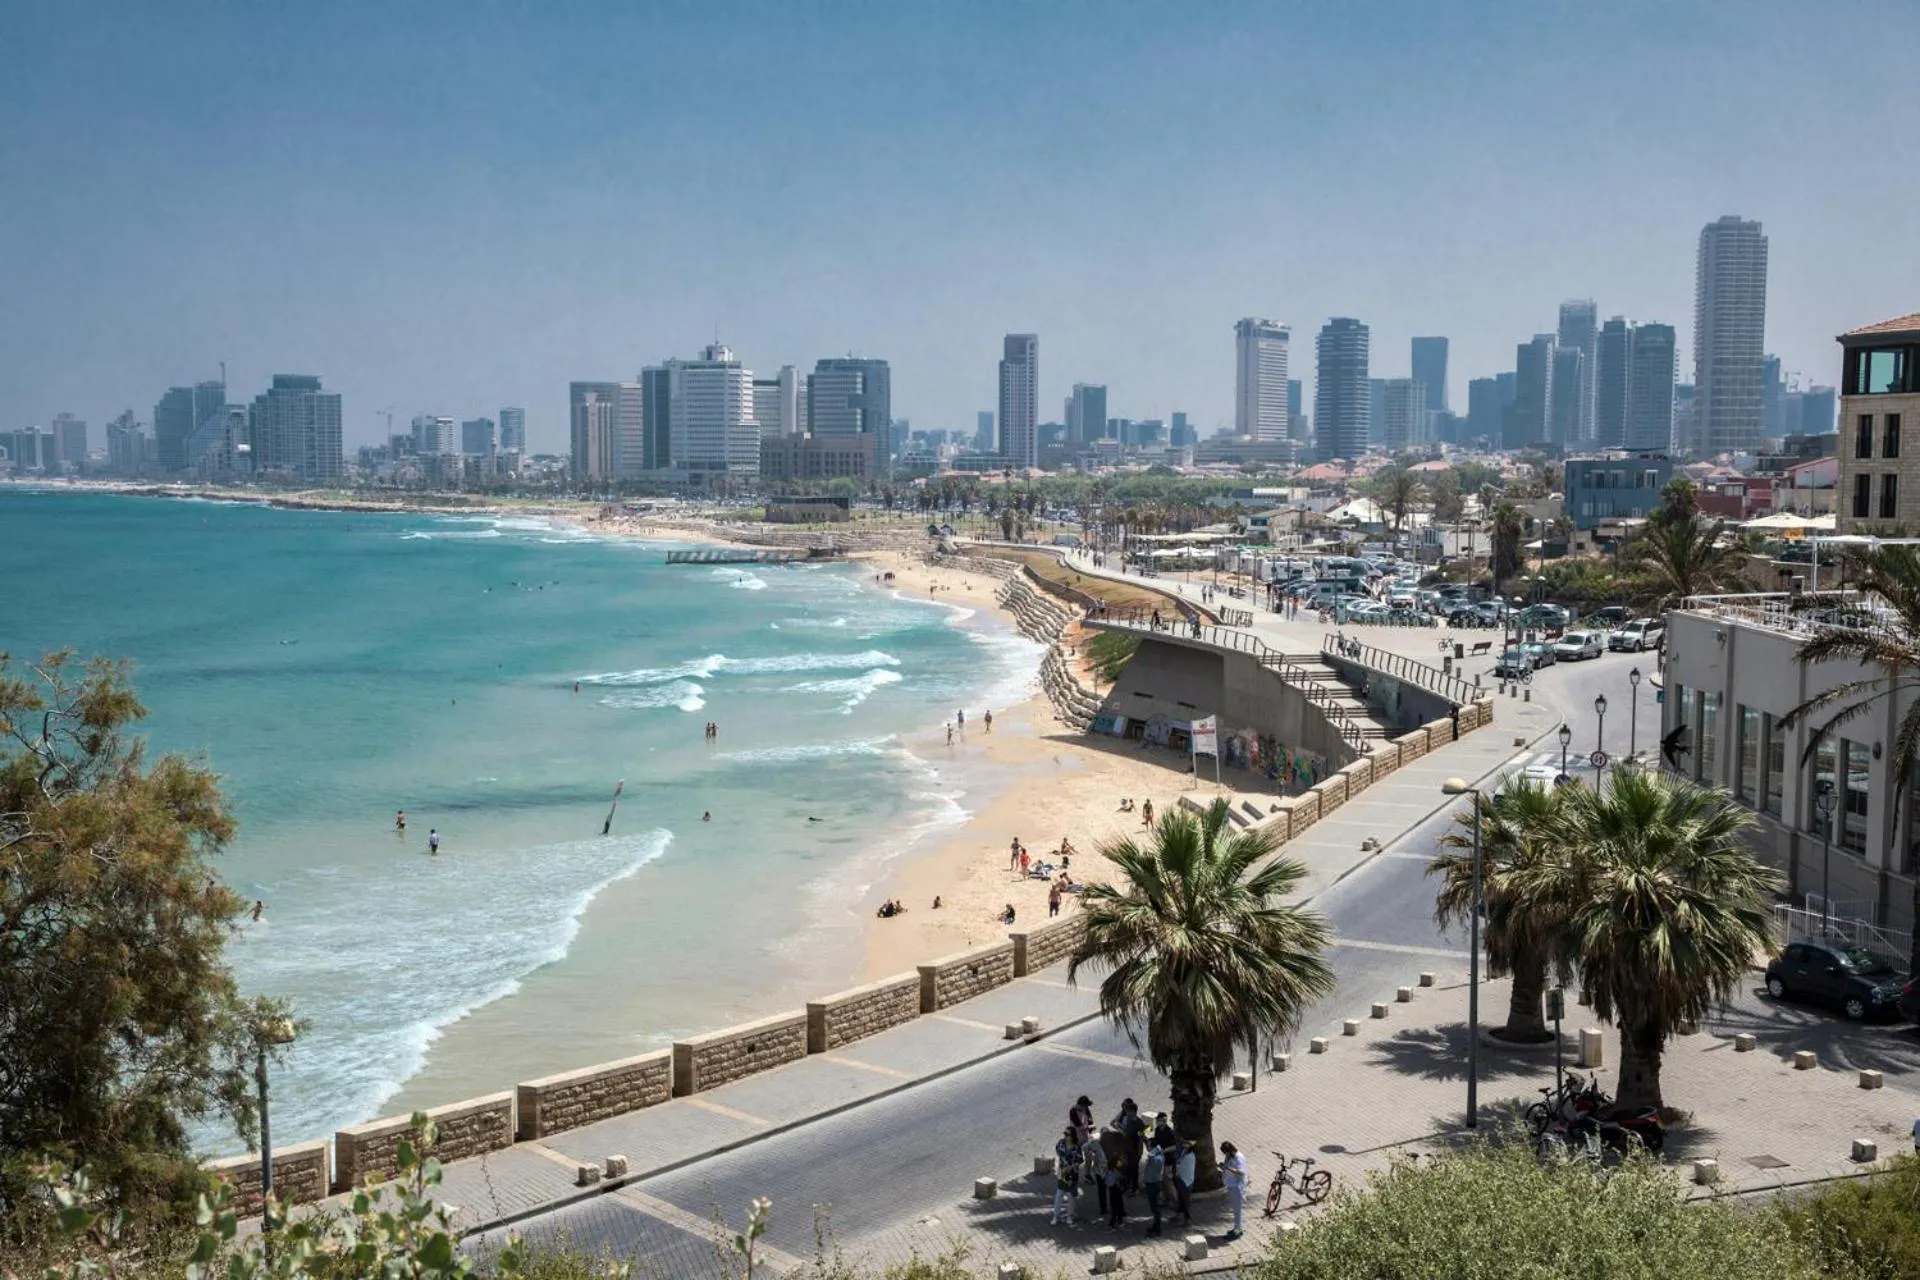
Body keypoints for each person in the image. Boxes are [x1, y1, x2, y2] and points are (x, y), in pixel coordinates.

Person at [1114, 1099, 1147, 1192]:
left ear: (1133, 1112)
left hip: (1135, 1150)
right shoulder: (1128, 1120)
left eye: (1128, 1111)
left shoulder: (1139, 1123)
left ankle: (1134, 1187)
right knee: (1127, 1167)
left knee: (1134, 1169)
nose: (1126, 1113)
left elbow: (1143, 1137)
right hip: (1127, 1149)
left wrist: (1141, 1152)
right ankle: (1128, 1185)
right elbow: (1126, 1131)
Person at [1052, 1128, 1081, 1225]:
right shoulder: (1061, 1143)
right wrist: (1063, 1165)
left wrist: (1071, 1166)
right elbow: (1057, 1151)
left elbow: (1080, 1159)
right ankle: (1056, 1216)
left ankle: (1069, 1216)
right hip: (1062, 1173)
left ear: (1072, 1136)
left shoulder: (1076, 1147)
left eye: (1067, 1134)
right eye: (1064, 1133)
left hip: (1072, 1175)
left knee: (1071, 1196)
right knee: (1059, 1194)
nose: (1065, 1136)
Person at [1220, 1141, 1248, 1240]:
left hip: (1237, 1186)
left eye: (1226, 1153)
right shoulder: (1229, 1157)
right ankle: (1236, 1228)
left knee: (1237, 1210)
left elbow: (1241, 1172)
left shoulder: (1239, 1157)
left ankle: (1237, 1230)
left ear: (1230, 1150)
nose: (1225, 1155)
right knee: (1235, 1209)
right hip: (1231, 1185)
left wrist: (1228, 1168)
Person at [1082, 1132, 1110, 1223]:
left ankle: (1115, 1208)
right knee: (1101, 1190)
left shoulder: (1111, 1143)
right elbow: (1084, 1147)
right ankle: (1103, 1208)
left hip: (1109, 1170)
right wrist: (1090, 1154)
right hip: (1099, 1170)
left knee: (1113, 1190)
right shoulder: (1095, 1143)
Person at [1141, 1141, 1165, 1237]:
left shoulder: (1158, 1156)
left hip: (1154, 1185)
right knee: (1153, 1208)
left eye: (1149, 1146)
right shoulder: (1155, 1155)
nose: (1148, 1149)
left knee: (1156, 1208)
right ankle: (1154, 1227)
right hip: (1150, 1183)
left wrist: (1153, 1152)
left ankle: (1157, 1229)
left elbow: (1154, 1161)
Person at [1172, 1139, 1196, 1225]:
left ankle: (1187, 1219)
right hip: (1180, 1178)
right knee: (1180, 1198)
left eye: (1187, 1144)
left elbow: (1185, 1167)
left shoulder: (1190, 1156)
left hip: (1186, 1181)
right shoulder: (1185, 1152)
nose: (1184, 1145)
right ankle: (1178, 1214)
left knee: (1185, 1200)